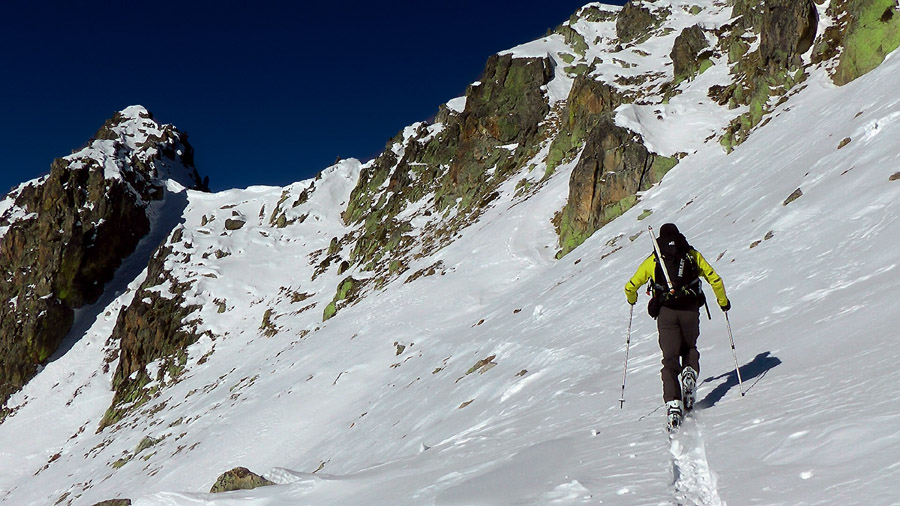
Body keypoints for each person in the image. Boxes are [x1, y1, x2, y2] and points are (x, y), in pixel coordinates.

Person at [624, 223, 730, 431]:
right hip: (690, 309)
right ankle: (690, 372)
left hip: (667, 313)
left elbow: (630, 286)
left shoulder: (655, 259)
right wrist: (723, 302)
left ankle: (673, 404)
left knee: (670, 358)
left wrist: (632, 298)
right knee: (690, 347)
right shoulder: (691, 255)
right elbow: (714, 279)